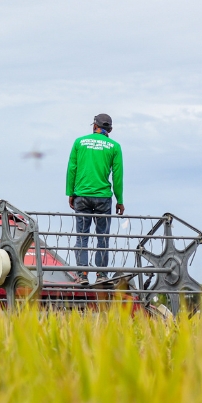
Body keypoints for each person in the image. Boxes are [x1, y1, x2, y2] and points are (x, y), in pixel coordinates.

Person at [66, 113, 124, 284]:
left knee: (82, 236)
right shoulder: (114, 146)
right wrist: (119, 200)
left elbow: (71, 168)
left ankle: (82, 275)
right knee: (102, 237)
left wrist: (71, 192)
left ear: (94, 126)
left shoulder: (79, 142)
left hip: (81, 196)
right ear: (110, 130)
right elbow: (118, 175)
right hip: (103, 198)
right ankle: (101, 275)